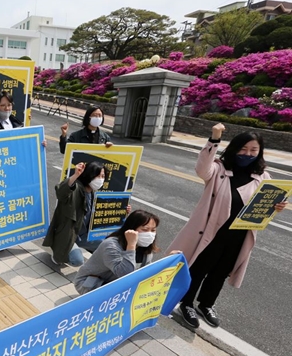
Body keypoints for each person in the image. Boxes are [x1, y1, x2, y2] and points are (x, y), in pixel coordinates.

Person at [167, 124, 288, 329]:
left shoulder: (263, 177)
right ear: (234, 148)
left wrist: (275, 207)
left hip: (239, 234)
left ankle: (206, 304)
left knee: (221, 272)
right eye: (243, 148)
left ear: (259, 152)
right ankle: (186, 303)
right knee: (199, 268)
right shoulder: (219, 169)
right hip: (212, 231)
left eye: (253, 150)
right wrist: (214, 138)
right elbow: (202, 169)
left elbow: (262, 207)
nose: (247, 154)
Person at [0, 91, 47, 223]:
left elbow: (24, 146)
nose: (7, 108)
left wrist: (39, 144)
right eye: (2, 105)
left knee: (8, 209)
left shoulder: (16, 122)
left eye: (9, 105)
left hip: (13, 174)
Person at [73, 210, 162, 295]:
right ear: (131, 229)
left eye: (153, 230)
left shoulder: (146, 248)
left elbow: (146, 272)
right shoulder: (111, 245)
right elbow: (124, 273)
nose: (150, 234)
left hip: (115, 284)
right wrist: (131, 245)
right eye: (145, 229)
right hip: (90, 283)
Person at [43, 161, 109, 266]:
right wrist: (76, 175)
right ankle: (57, 255)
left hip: (83, 235)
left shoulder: (92, 193)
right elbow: (61, 192)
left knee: (106, 245)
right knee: (77, 260)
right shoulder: (76, 188)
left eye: (103, 176)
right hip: (67, 234)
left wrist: (124, 211)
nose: (100, 179)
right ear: (89, 175)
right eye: (97, 175)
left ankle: (74, 251)